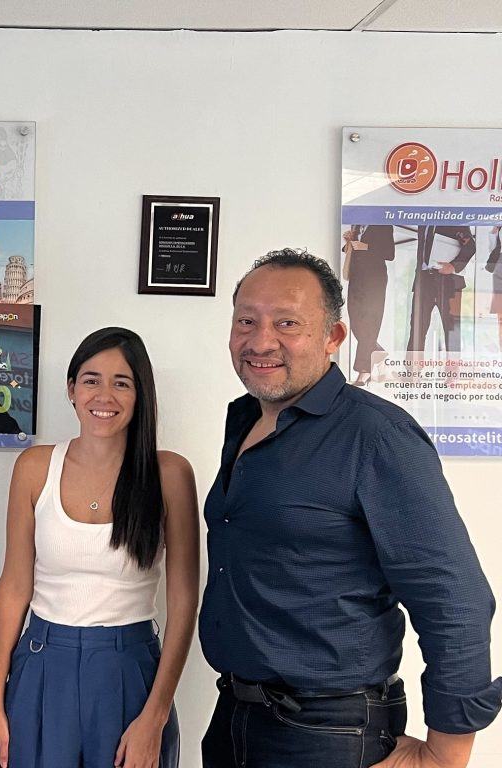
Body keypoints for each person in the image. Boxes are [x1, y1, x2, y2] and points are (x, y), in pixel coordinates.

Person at [200, 248, 500, 768]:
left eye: (287, 323)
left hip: (328, 734)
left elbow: (453, 597)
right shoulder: (245, 419)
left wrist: (446, 753)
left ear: (334, 338)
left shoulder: (377, 435)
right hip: (235, 719)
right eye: (246, 320)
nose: (260, 340)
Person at [0, 327, 200, 768]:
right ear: (71, 389)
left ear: (140, 395)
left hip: (131, 672)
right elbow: (14, 588)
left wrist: (154, 717)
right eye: (91, 379)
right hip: (41, 666)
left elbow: (184, 601)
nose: (105, 395)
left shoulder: (170, 474)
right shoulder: (35, 467)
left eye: (122, 382)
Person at [407, 225, 475, 354]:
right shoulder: (423, 222)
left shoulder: (453, 217)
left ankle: (453, 373)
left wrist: (454, 266)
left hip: (449, 281)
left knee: (452, 330)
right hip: (424, 280)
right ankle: (412, 371)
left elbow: (471, 245)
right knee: (416, 327)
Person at [342, 224, 395, 385]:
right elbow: (351, 251)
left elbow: (390, 254)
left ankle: (363, 371)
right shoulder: (357, 226)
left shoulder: (383, 226)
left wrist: (367, 247)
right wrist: (349, 241)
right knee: (357, 324)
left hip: (375, 280)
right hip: (356, 278)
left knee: (370, 323)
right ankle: (378, 353)